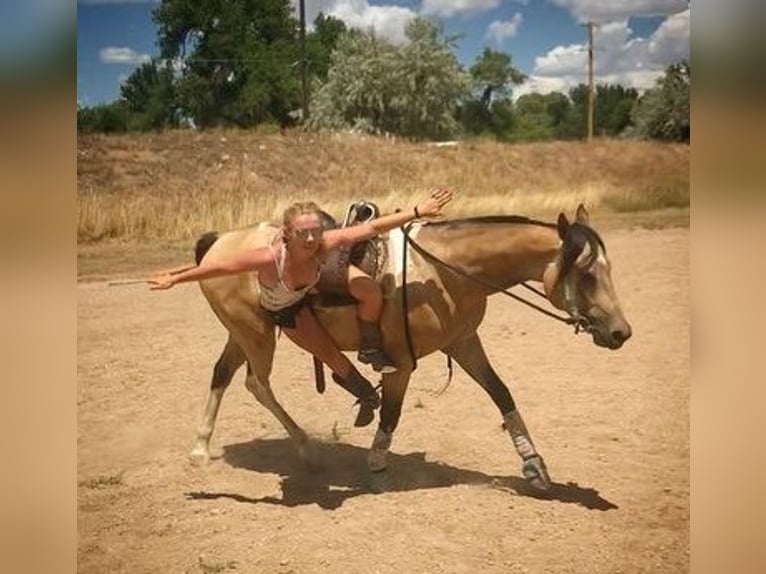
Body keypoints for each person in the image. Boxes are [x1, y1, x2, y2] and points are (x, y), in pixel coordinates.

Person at [148, 188, 453, 426]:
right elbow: (220, 267)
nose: (310, 239)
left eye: (315, 231)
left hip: (304, 298)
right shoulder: (269, 258)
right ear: (286, 233)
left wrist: (416, 211)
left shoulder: (323, 245)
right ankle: (366, 398)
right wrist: (174, 279)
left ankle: (369, 352)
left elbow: (371, 228)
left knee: (354, 301)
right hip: (287, 312)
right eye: (302, 233)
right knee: (335, 359)